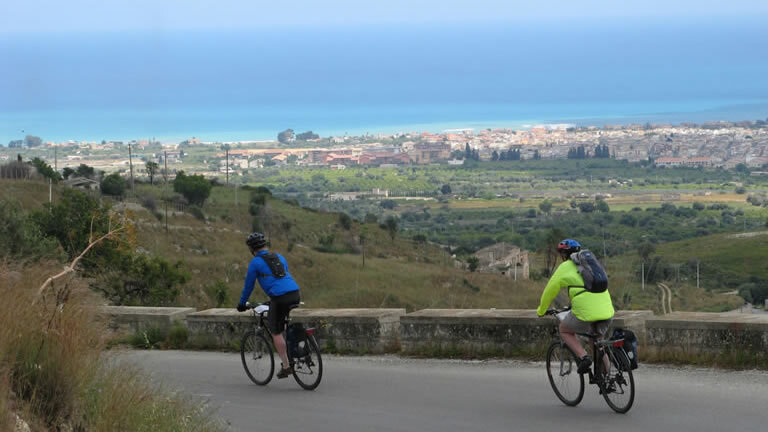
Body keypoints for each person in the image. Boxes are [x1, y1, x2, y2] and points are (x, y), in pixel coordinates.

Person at [537, 239, 614, 374]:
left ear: (564, 255)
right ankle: (608, 377)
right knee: (596, 340)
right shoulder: (592, 265)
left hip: (586, 312)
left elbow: (550, 290)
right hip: (607, 310)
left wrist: (541, 310)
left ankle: (584, 357)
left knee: (565, 330)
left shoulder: (565, 267)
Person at [237, 232, 301, 378]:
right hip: (295, 293)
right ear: (265, 245)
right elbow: (283, 277)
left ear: (252, 250)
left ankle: (286, 366)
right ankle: (291, 349)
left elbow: (248, 286)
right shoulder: (280, 257)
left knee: (275, 331)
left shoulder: (255, 263)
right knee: (282, 321)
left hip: (279, 298)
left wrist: (241, 304)